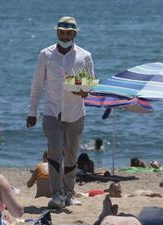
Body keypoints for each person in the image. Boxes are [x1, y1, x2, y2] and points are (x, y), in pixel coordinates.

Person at [26, 16, 95, 209]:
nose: (65, 36)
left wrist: (84, 91)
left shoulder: (85, 56)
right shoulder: (45, 55)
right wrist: (32, 112)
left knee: (72, 156)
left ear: (74, 33)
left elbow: (90, 85)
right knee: (55, 153)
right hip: (51, 111)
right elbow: (37, 85)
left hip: (75, 113)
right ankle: (57, 195)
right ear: (57, 32)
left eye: (69, 33)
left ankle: (69, 194)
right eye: (62, 32)